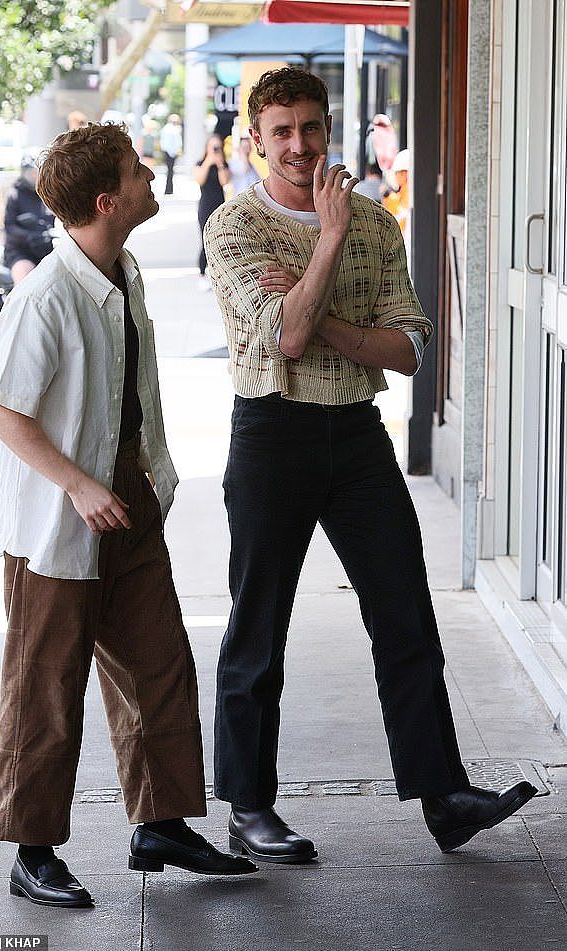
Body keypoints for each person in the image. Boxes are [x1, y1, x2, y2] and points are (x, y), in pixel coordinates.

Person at [204, 67, 537, 865]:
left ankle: (445, 796)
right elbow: (281, 339)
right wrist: (324, 245)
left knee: (406, 613)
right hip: (271, 434)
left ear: (330, 130)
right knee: (258, 629)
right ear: (255, 141)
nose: (297, 144)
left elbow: (411, 348)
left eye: (310, 128)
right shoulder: (233, 229)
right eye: (280, 131)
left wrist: (324, 318)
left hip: (357, 435)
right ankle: (250, 807)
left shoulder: (376, 224)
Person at [0, 122, 255, 909]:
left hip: (128, 500)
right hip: (58, 525)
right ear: (109, 200)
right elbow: (1, 410)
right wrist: (76, 484)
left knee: (161, 668)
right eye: (138, 172)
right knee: (47, 689)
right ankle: (32, 852)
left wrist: (140, 482)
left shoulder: (123, 270)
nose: (148, 177)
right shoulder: (45, 296)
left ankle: (161, 822)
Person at [3, 154, 54, 285]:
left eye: (38, 173)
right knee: (26, 282)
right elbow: (9, 227)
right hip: (21, 252)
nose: (35, 177)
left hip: (47, 250)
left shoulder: (49, 194)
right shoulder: (15, 194)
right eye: (32, 173)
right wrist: (29, 236)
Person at [193, 134, 230, 284]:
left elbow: (225, 182)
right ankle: (202, 272)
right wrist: (209, 161)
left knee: (219, 240)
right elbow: (199, 180)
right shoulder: (201, 163)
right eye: (212, 146)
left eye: (217, 147)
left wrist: (220, 163)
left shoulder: (223, 164)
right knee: (204, 239)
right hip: (205, 205)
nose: (215, 150)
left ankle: (217, 274)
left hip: (220, 205)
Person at [383, 148, 411, 236]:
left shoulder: (408, 192)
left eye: (397, 173)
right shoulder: (402, 193)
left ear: (405, 173)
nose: (395, 176)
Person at [159, 114, 183, 195]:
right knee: (170, 171)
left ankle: (168, 189)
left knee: (169, 171)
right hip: (172, 152)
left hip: (166, 151)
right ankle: (169, 189)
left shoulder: (165, 129)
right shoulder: (174, 129)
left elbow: (162, 142)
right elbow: (178, 142)